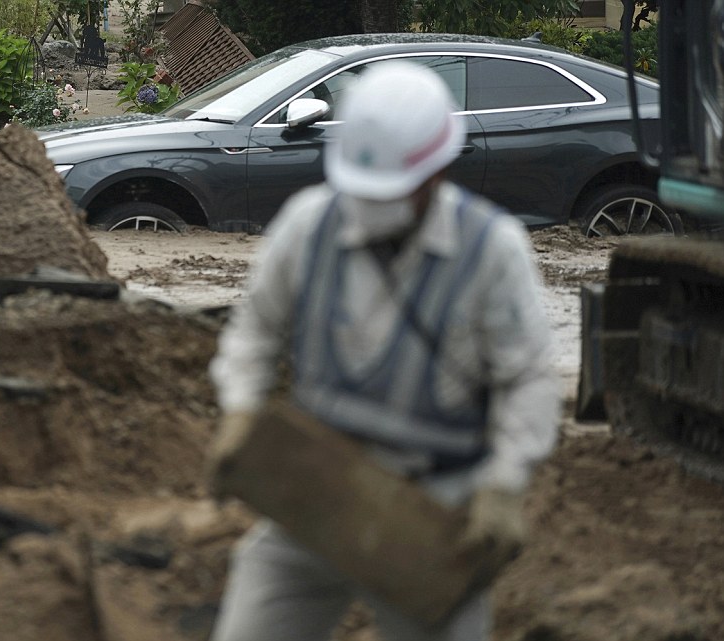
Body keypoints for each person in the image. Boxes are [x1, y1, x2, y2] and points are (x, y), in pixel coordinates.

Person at [206, 61, 560, 641]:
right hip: (318, 487)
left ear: (437, 170)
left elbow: (527, 378)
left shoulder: (492, 250)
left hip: (434, 508)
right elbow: (255, 332)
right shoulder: (307, 225)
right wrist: (241, 410)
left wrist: (503, 484)